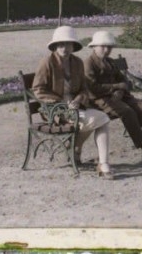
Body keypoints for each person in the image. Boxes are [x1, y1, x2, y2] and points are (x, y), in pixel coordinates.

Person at [33, 25, 115, 179]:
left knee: (102, 118)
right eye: (61, 44)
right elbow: (38, 89)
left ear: (73, 46)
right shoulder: (47, 62)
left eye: (68, 44)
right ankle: (76, 149)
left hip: (76, 107)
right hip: (55, 110)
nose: (65, 48)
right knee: (94, 120)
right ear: (56, 45)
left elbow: (84, 89)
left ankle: (103, 163)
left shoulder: (77, 62)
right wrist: (61, 103)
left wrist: (78, 99)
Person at [84, 30, 142, 162]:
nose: (106, 50)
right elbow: (92, 88)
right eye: (103, 46)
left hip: (120, 96)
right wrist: (116, 87)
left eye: (109, 47)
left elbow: (125, 81)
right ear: (94, 47)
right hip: (100, 99)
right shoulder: (89, 63)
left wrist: (120, 90)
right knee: (127, 111)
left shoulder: (111, 62)